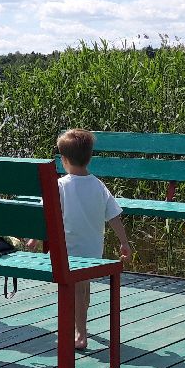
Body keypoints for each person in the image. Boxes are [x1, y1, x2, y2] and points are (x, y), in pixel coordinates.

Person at [56, 129, 131, 350]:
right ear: (89, 158)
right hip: (92, 251)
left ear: (64, 160)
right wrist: (124, 242)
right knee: (82, 289)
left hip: (68, 250)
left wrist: (35, 238)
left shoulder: (61, 185)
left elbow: (49, 215)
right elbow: (114, 216)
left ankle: (79, 332)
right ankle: (80, 326)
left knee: (74, 289)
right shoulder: (99, 185)